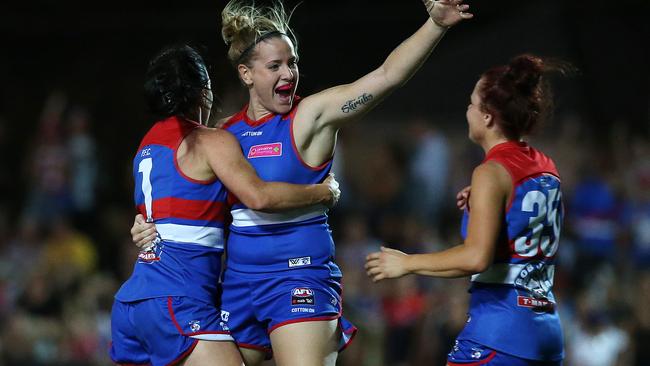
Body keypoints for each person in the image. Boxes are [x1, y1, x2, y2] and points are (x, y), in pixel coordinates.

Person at [131, 1, 472, 365]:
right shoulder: (223, 134)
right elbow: (183, 193)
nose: (288, 74)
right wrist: (147, 223)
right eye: (274, 65)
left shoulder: (311, 116)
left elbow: (387, 75)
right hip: (238, 287)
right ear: (246, 74)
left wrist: (435, 25)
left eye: (291, 62)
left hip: (298, 277)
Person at [111, 44, 340, 366]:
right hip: (175, 300)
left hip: (132, 303)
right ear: (205, 93)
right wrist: (323, 193)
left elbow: (166, 212)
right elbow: (258, 197)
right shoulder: (209, 141)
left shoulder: (146, 146)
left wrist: (138, 226)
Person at [365, 54, 569, 365]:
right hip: (545, 332)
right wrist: (486, 199)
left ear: (487, 117)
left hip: (501, 331)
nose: (468, 111)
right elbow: (523, 224)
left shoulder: (490, 173)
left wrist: (408, 263)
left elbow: (476, 257)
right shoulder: (546, 167)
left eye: (472, 103)